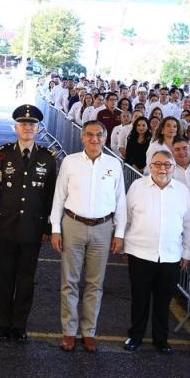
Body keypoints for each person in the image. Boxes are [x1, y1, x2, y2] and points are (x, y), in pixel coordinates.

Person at [50, 121, 127, 352]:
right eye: (90, 135)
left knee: (95, 283)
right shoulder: (70, 162)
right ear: (82, 137)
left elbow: (120, 200)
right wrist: (55, 228)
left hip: (103, 228)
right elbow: (59, 196)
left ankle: (89, 331)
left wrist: (119, 233)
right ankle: (69, 331)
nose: (94, 139)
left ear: (105, 138)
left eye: (99, 135)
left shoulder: (114, 164)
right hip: (72, 224)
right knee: (69, 281)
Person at [0, 104, 58, 343]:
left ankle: (19, 325)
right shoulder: (2, 153)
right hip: (6, 226)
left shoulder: (47, 157)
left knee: (26, 279)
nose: (28, 128)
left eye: (32, 124)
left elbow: (51, 195)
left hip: (33, 228)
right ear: (15, 128)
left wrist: (48, 227)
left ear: (38, 129)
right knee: (5, 278)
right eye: (23, 124)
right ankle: (3, 324)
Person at [123, 151, 190, 353]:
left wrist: (187, 253)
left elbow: (189, 224)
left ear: (173, 167)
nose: (162, 168)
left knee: (164, 301)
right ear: (150, 166)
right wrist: (124, 244)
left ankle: (160, 339)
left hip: (171, 255)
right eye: (157, 164)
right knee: (140, 299)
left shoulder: (182, 191)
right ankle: (135, 336)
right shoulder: (137, 187)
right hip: (140, 253)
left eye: (167, 164)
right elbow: (127, 217)